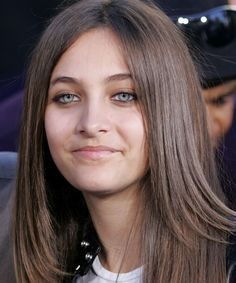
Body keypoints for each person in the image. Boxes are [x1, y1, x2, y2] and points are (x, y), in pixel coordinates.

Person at [13, 0, 236, 282]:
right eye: (67, 96)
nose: (91, 124)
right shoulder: (27, 261)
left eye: (124, 95)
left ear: (172, 110)